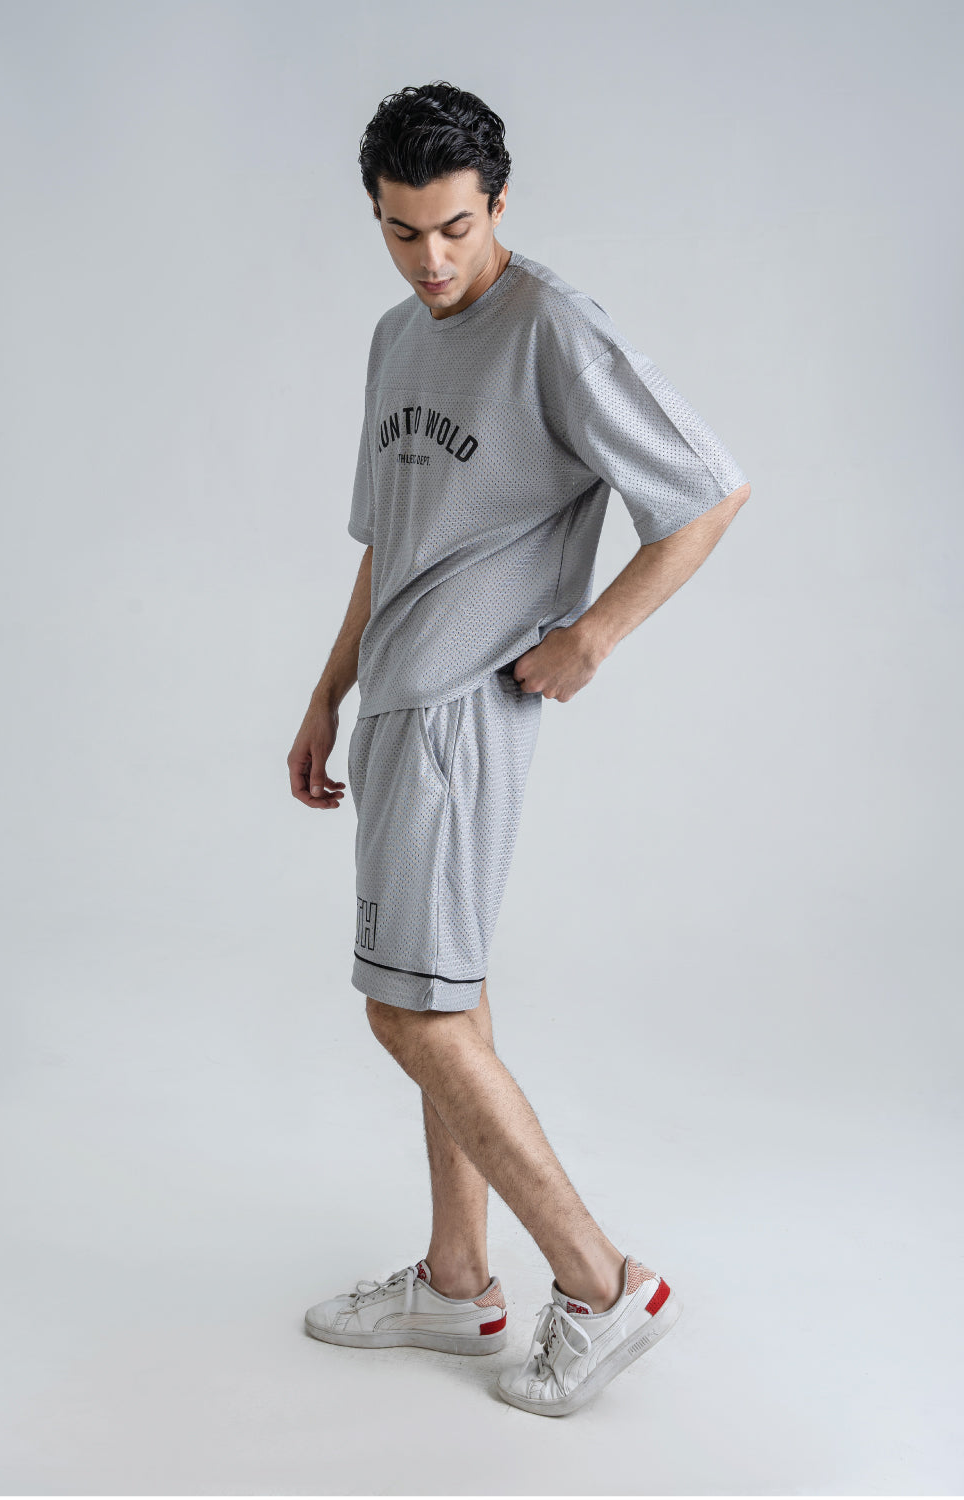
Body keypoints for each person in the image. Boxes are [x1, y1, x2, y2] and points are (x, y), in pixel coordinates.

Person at [287, 80, 750, 1418]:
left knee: (410, 1012)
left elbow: (707, 492)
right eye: (401, 231)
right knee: (450, 996)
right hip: (394, 704)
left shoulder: (551, 325)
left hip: (459, 715)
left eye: (454, 227)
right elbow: (391, 544)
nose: (431, 260)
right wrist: (327, 692)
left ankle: (603, 1288)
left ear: (498, 203)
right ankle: (456, 1283)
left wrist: (592, 638)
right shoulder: (397, 337)